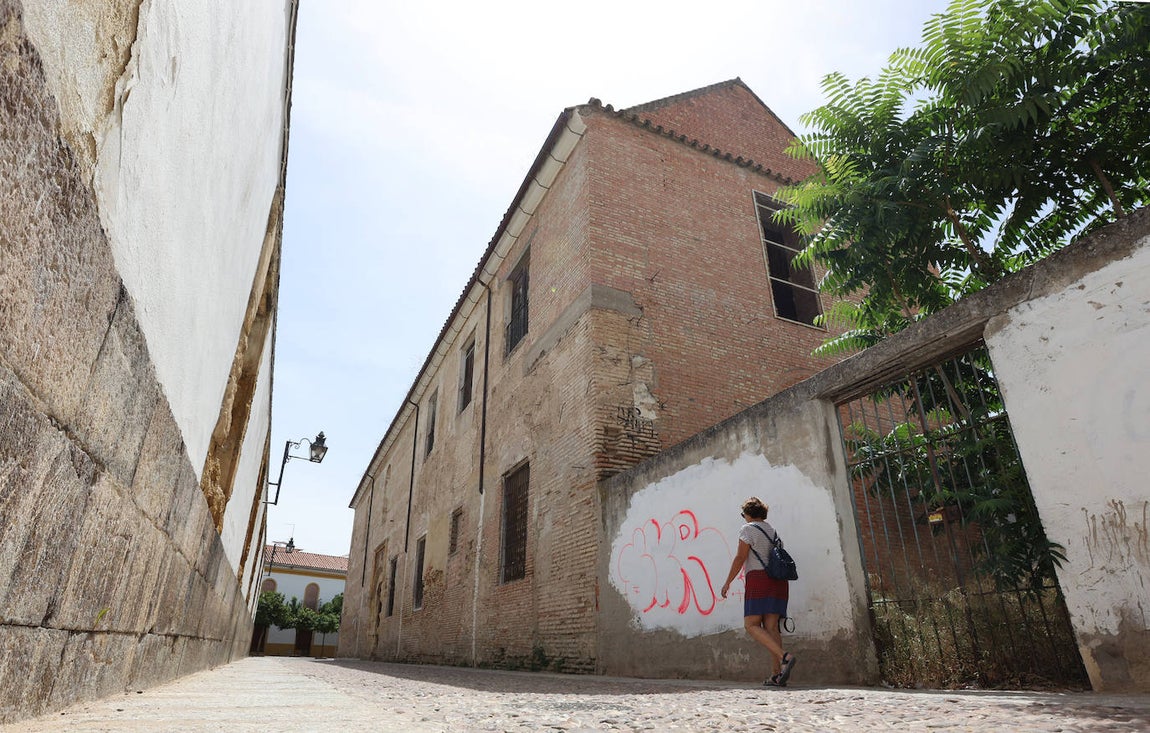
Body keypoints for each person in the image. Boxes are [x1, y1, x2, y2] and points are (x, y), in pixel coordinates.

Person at [720, 496, 797, 687]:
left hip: (758, 579)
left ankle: (784, 656)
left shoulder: (747, 529)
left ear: (748, 514)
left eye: (743, 514)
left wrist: (727, 582)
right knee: (771, 627)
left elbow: (740, 557)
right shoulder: (772, 530)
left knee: (751, 624)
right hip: (778, 581)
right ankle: (777, 675)